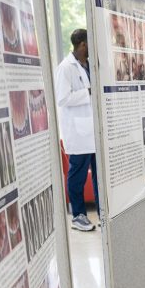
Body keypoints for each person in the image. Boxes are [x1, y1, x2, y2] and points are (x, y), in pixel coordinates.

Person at [54, 28, 98, 231]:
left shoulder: (88, 65)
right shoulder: (66, 68)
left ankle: (102, 212)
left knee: (99, 174)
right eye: (90, 43)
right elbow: (62, 98)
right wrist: (87, 93)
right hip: (78, 132)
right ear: (82, 44)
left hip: (93, 130)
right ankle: (78, 215)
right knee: (77, 174)